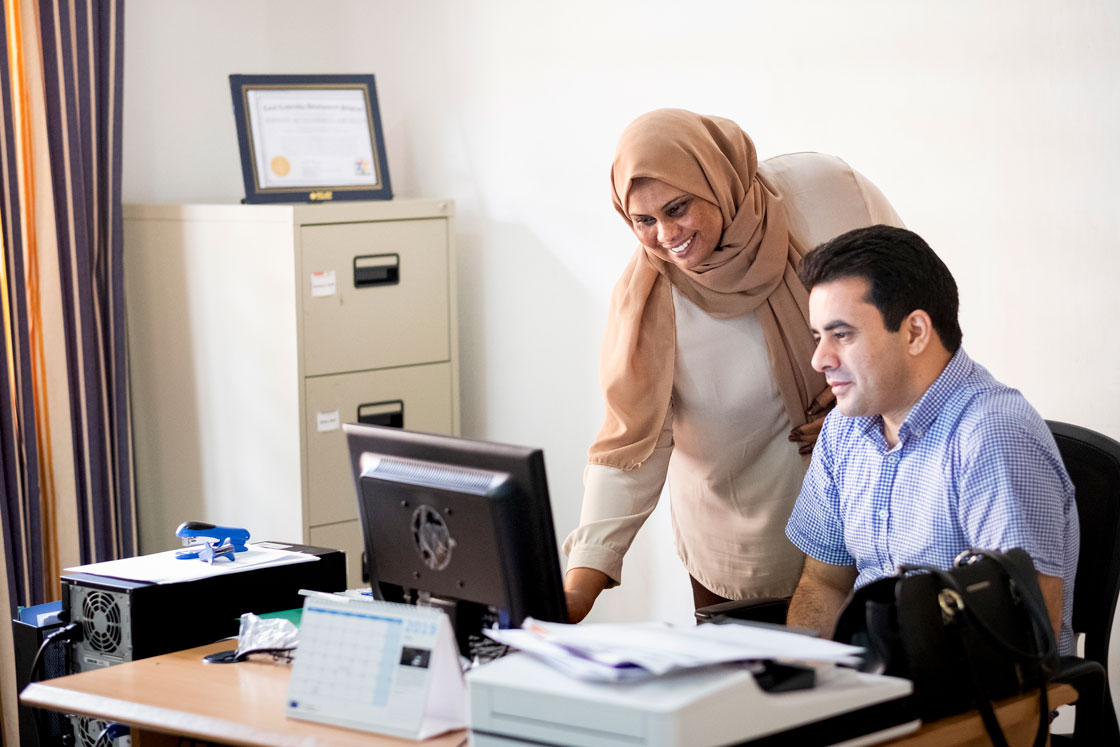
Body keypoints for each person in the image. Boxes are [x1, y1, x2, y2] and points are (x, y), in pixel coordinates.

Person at [562, 109, 904, 622]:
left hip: (875, 531)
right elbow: (632, 444)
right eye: (644, 221)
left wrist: (868, 380)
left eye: (678, 208)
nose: (667, 235)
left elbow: (916, 309)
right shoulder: (650, 305)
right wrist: (578, 586)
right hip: (743, 557)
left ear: (715, 179)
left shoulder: (830, 195)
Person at [784, 224, 1079, 654]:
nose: (819, 359)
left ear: (915, 332)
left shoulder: (992, 435)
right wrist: (805, 678)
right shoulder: (843, 429)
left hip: (967, 706)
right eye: (818, 337)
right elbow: (824, 583)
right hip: (868, 692)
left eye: (841, 335)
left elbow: (1026, 643)